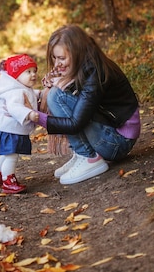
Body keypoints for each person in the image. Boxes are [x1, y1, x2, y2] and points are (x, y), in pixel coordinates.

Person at [28, 25, 140, 185]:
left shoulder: (95, 72)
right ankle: (81, 154)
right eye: (54, 58)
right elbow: (81, 103)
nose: (57, 64)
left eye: (61, 58)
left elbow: (76, 122)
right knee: (55, 94)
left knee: (56, 96)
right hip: (110, 131)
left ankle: (88, 157)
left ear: (77, 53)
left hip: (117, 142)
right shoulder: (87, 65)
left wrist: (37, 117)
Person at [0, 54, 40, 194]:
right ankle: (8, 181)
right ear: (16, 76)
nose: (33, 75)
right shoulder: (15, 92)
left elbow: (31, 94)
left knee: (6, 154)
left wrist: (41, 94)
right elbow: (15, 108)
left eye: (34, 71)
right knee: (12, 156)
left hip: (7, 129)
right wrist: (29, 114)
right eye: (28, 72)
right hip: (10, 131)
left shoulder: (20, 88)